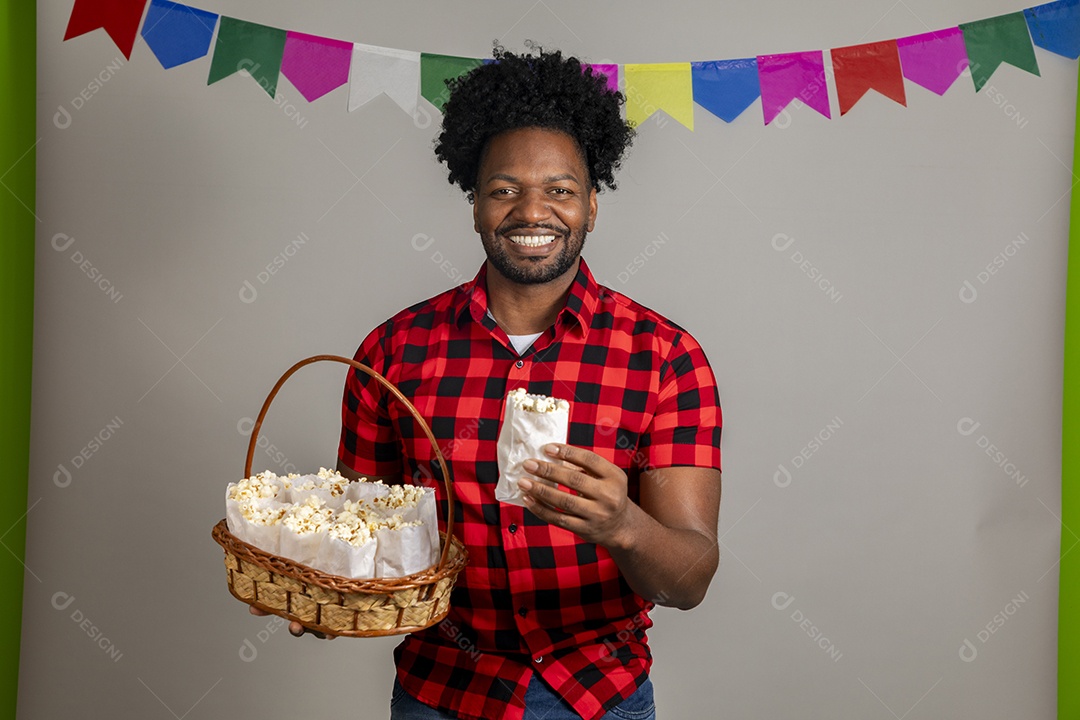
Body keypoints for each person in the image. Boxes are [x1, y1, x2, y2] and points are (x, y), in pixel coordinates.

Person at [258, 44, 723, 720]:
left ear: (592, 206)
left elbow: (690, 579)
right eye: (505, 190)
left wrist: (623, 525)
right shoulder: (392, 352)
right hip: (441, 693)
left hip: (598, 696)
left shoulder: (666, 357)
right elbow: (366, 539)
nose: (533, 211)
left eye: (560, 190)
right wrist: (323, 593)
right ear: (474, 205)